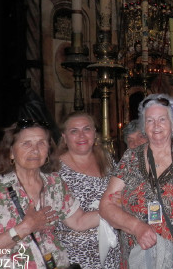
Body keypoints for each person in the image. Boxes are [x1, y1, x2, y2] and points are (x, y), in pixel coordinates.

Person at [0, 119, 99, 268]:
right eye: (26, 143)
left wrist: (117, 208)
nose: (35, 150)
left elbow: (79, 221)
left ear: (48, 150)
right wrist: (25, 227)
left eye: (41, 143)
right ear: (11, 152)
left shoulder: (54, 184)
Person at [99, 94, 173, 268]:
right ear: (144, 126)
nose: (156, 126)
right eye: (150, 120)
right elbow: (106, 206)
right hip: (137, 253)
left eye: (162, 119)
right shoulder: (131, 158)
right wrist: (136, 227)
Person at [55, 112, 120, 268]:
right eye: (74, 131)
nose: (81, 135)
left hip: (111, 249)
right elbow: (76, 221)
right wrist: (113, 207)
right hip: (73, 254)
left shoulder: (107, 160)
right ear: (64, 137)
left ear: (95, 133)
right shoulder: (54, 170)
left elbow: (123, 193)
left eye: (87, 129)